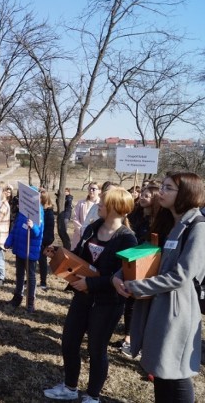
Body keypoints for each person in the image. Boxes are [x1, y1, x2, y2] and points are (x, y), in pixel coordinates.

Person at [113, 172, 205, 403]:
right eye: (162, 186)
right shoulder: (166, 223)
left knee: (175, 371)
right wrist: (119, 276)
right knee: (158, 368)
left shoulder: (197, 227)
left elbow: (182, 276)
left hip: (176, 309)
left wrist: (138, 285)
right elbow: (142, 255)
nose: (160, 192)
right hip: (156, 304)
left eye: (168, 188)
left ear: (186, 193)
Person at [43, 187, 137, 403]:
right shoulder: (93, 227)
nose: (98, 205)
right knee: (69, 342)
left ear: (115, 207)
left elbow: (120, 277)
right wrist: (59, 253)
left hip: (108, 303)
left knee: (97, 349)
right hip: (83, 297)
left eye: (103, 202)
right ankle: (69, 387)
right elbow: (79, 257)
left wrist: (91, 283)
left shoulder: (127, 239)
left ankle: (93, 396)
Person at [120, 183, 160, 357]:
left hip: (145, 266)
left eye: (147, 195)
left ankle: (141, 341)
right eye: (142, 194)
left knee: (141, 304)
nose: (142, 197)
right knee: (129, 302)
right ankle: (128, 337)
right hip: (130, 260)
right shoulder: (134, 215)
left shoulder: (157, 221)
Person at [5, 192, 44, 313]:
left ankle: (30, 301)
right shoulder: (22, 211)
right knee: (19, 274)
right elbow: (16, 228)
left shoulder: (38, 211)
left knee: (30, 276)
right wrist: (9, 240)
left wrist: (33, 227)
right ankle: (17, 297)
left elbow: (38, 234)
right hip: (19, 249)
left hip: (30, 251)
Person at [70, 182, 100, 249]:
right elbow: (75, 218)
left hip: (93, 237)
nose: (91, 190)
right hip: (79, 235)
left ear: (99, 191)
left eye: (93, 189)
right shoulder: (81, 203)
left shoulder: (100, 205)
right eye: (89, 188)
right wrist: (81, 231)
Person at [39, 190, 56, 290]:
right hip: (35, 239)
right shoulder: (36, 209)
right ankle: (29, 279)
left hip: (43, 241)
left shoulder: (48, 212)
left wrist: (44, 242)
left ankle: (43, 282)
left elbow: (49, 229)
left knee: (42, 261)